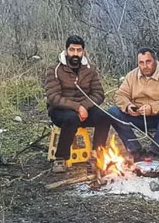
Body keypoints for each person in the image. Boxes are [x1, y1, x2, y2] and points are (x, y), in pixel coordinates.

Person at [43, 35, 111, 172]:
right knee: (71, 118)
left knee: (104, 116)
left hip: (85, 108)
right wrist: (77, 107)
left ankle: (96, 155)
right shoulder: (54, 69)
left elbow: (98, 94)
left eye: (78, 50)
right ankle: (61, 158)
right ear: (66, 50)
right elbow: (53, 97)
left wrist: (84, 106)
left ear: (83, 52)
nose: (75, 54)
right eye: (72, 50)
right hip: (60, 110)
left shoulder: (90, 69)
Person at [108, 48, 159, 161]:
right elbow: (120, 95)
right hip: (139, 116)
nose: (145, 66)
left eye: (148, 61)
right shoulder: (131, 76)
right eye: (141, 63)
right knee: (113, 112)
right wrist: (129, 106)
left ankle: (155, 153)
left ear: (155, 60)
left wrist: (153, 108)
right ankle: (135, 151)